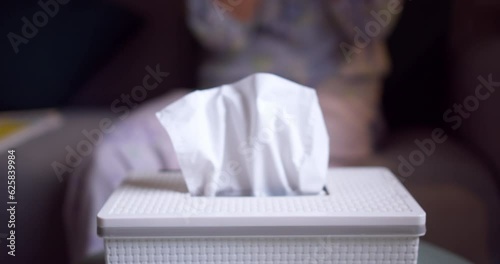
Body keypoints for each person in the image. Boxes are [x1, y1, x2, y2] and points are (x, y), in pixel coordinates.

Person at [64, 1, 402, 263]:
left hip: (329, 100)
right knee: (113, 156)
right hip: (222, 97)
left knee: (282, 171)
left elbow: (370, 25)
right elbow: (219, 32)